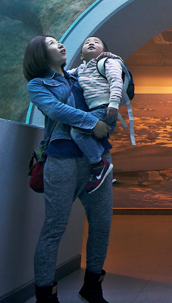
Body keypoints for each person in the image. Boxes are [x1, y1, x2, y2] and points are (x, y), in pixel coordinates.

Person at [24, 35, 113, 303]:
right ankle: (46, 296)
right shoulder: (37, 85)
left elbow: (110, 81)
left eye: (59, 42)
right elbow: (55, 110)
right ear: (39, 54)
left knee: (102, 226)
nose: (60, 45)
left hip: (98, 159)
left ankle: (92, 287)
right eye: (51, 44)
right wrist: (91, 123)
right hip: (61, 160)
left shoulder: (79, 75)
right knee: (54, 229)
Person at [68, 36, 125, 193]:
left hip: (106, 107)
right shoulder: (80, 70)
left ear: (104, 51)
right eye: (87, 43)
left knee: (78, 132)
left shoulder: (108, 62)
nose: (91, 43)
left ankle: (99, 164)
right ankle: (104, 171)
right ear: (81, 55)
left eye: (96, 42)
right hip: (95, 110)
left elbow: (116, 80)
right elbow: (64, 75)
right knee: (92, 138)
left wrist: (114, 103)